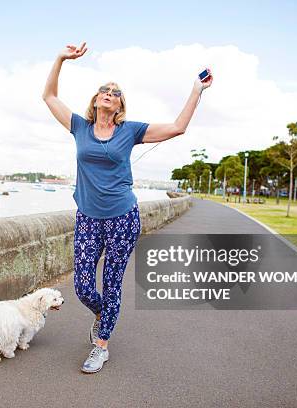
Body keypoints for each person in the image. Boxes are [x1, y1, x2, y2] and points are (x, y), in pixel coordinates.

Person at [42, 42, 212, 373]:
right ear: (95, 100)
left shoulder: (129, 131)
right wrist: (61, 58)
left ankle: (101, 345)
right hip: (88, 218)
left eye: (115, 91)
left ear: (120, 103)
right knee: (82, 285)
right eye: (103, 90)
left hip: (122, 218)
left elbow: (178, 127)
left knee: (113, 282)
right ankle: (103, 315)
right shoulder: (79, 126)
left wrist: (197, 90)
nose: (108, 93)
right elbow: (49, 96)